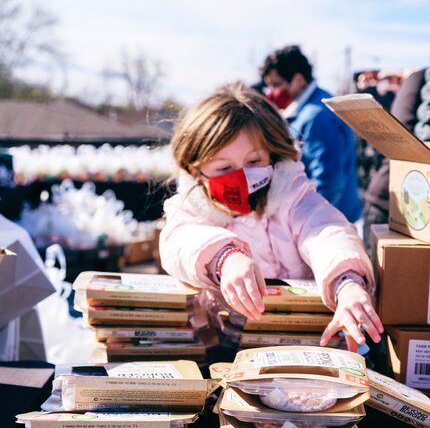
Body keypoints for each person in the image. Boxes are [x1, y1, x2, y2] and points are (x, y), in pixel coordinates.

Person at [159, 82, 383, 351]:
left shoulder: (293, 196)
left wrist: (347, 282)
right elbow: (180, 241)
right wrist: (224, 258)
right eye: (224, 167)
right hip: (226, 344)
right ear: (196, 170)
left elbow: (325, 229)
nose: (241, 175)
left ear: (273, 155)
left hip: (302, 342)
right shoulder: (190, 208)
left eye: (253, 162)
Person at [260, 46, 362, 223]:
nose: (271, 93)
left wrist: (310, 221)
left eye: (276, 85)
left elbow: (328, 179)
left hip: (327, 220)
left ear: (298, 79)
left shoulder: (318, 115)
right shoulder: (302, 110)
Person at [363, 67, 429, 253]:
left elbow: (396, 136)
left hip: (394, 200)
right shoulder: (419, 79)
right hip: (393, 206)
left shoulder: (419, 78)